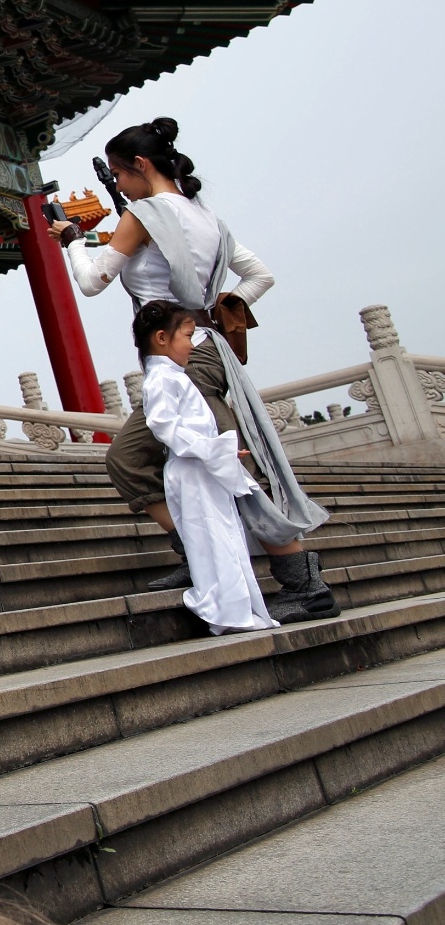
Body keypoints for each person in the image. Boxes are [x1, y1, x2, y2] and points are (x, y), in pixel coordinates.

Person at [51, 117, 336, 623]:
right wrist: (218, 312)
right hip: (207, 350)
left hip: (186, 361)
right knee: (205, 461)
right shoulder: (205, 216)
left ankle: (302, 581)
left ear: (139, 166)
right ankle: (206, 555)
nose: (118, 186)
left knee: (203, 463)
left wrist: (72, 239)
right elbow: (260, 275)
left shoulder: (143, 213)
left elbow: (93, 281)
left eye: (119, 175)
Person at [135, 300, 279, 635]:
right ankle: (225, 610)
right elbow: (163, 426)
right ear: (161, 338)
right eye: (187, 335)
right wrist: (212, 448)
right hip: (191, 469)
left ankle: (238, 609)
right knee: (210, 539)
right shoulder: (161, 379)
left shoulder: (174, 376)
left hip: (203, 466)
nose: (192, 344)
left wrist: (220, 450)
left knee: (224, 537)